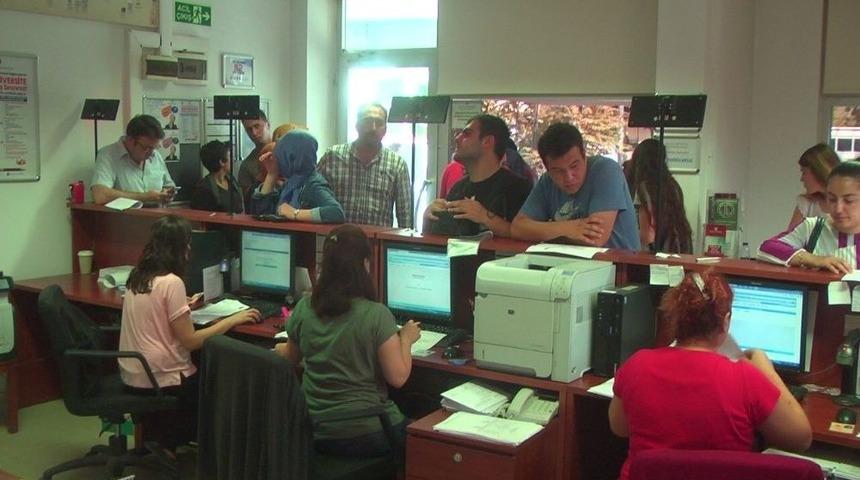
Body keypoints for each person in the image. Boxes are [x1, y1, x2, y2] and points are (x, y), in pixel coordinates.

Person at [609, 271, 812, 480]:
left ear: (674, 318)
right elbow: (801, 438)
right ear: (725, 321)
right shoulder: (744, 376)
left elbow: (619, 428)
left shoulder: (638, 365)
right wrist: (766, 369)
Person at [275, 225, 421, 458]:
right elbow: (398, 377)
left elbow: (289, 359)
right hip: (367, 431)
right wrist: (406, 338)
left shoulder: (305, 306)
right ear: (364, 264)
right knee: (424, 436)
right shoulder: (376, 315)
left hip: (313, 430)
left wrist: (281, 348)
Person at [118, 215, 260, 454]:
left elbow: (155, 309)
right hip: (161, 377)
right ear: (178, 248)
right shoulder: (172, 282)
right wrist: (232, 320)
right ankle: (207, 448)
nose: (190, 248)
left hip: (133, 371)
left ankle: (165, 444)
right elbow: (191, 341)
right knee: (220, 371)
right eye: (187, 242)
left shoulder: (139, 276)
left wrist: (182, 306)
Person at [511, 122, 640, 250]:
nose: (569, 176)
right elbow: (518, 228)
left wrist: (545, 230)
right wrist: (569, 228)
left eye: (574, 166)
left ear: (584, 155)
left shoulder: (606, 170)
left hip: (621, 266)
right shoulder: (547, 182)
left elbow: (595, 239)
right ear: (548, 169)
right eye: (558, 171)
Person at [424, 115, 532, 237]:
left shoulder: (518, 189)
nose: (457, 138)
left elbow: (526, 237)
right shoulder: (457, 189)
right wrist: (429, 217)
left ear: (487, 141)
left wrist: (484, 217)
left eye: (467, 134)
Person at [318, 103, 413, 227]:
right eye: (368, 121)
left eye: (378, 122)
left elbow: (405, 215)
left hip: (376, 243)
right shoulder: (332, 157)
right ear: (357, 125)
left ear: (385, 129)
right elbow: (313, 197)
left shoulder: (397, 164)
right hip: (337, 241)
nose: (373, 128)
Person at [758, 160, 860, 274]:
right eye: (832, 199)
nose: (838, 209)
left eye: (849, 201)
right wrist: (814, 259)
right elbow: (767, 248)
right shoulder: (814, 227)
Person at [91, 114, 177, 205]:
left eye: (154, 148)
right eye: (146, 148)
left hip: (158, 216)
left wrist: (168, 193)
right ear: (130, 140)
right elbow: (100, 195)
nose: (151, 153)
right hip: (123, 217)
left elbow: (169, 185)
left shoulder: (155, 155)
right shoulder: (108, 155)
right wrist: (144, 197)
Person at [627, 138, 693, 253]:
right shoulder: (673, 185)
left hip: (658, 257)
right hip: (680, 249)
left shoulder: (644, 188)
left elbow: (647, 236)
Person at [265, 130, 345, 223]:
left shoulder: (313, 184)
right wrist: (271, 175)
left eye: (281, 156)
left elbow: (336, 213)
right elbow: (263, 214)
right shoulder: (291, 183)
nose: (278, 161)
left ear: (292, 157)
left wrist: (294, 213)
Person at [787, 143, 840, 230]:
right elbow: (789, 239)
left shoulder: (850, 205)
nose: (801, 179)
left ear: (818, 171)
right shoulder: (807, 203)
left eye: (804, 172)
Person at [189, 140, 243, 213]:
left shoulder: (231, 180)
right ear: (222, 162)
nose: (233, 160)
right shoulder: (204, 189)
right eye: (230, 156)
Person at [237, 110, 272, 208]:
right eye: (249, 129)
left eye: (257, 126)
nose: (254, 133)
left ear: (267, 125)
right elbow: (248, 203)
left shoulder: (287, 150)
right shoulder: (247, 165)